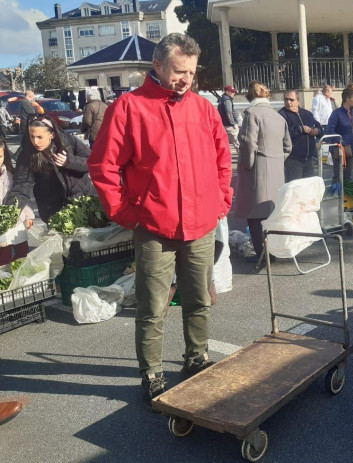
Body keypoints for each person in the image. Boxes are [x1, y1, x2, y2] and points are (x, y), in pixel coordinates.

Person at [88, 33, 234, 407]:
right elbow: (104, 166)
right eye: (177, 70)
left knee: (199, 299)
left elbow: (222, 158)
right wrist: (125, 212)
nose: (185, 79)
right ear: (157, 65)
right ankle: (151, 373)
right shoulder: (129, 107)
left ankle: (196, 356)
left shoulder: (203, 108)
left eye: (190, 71)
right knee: (152, 308)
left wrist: (222, 199)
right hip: (154, 228)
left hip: (201, 225)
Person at [236, 80, 290, 262]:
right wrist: (276, 160)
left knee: (254, 215)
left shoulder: (252, 113)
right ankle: (272, 252)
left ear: (250, 96)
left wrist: (246, 164)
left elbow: (247, 144)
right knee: (271, 214)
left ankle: (262, 255)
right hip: (276, 169)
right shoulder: (279, 117)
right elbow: (288, 147)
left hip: (257, 170)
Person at [5, 115, 94, 223]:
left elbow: (93, 162)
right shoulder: (26, 155)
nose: (35, 142)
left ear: (52, 134)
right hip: (53, 212)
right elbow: (22, 186)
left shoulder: (68, 141)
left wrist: (70, 162)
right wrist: (10, 212)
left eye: (40, 137)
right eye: (32, 136)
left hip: (81, 203)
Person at [0, 138, 34, 265]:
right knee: (4, 257)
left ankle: (20, 279)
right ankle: (6, 281)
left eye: (0, 156)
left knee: (22, 254)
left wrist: (28, 215)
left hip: (16, 220)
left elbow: (20, 196)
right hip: (1, 226)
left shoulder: (10, 174)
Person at [278, 89, 321, 182]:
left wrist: (317, 131)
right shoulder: (281, 115)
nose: (288, 102)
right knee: (294, 189)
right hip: (293, 160)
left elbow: (319, 127)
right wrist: (300, 129)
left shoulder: (307, 114)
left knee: (308, 188)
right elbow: (282, 132)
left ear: (298, 101)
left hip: (309, 160)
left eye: (291, 100)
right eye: (286, 99)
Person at [326, 87, 353, 183]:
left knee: (348, 176)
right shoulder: (336, 113)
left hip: (352, 149)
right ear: (347, 99)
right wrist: (340, 143)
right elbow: (330, 130)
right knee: (338, 177)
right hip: (339, 149)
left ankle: (346, 197)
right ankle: (337, 196)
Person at [218, 85, 240, 150]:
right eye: (232, 92)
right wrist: (233, 124)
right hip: (229, 126)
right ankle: (243, 159)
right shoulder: (227, 100)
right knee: (237, 144)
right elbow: (229, 112)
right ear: (227, 92)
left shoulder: (222, 99)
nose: (234, 94)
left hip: (224, 124)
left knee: (224, 144)